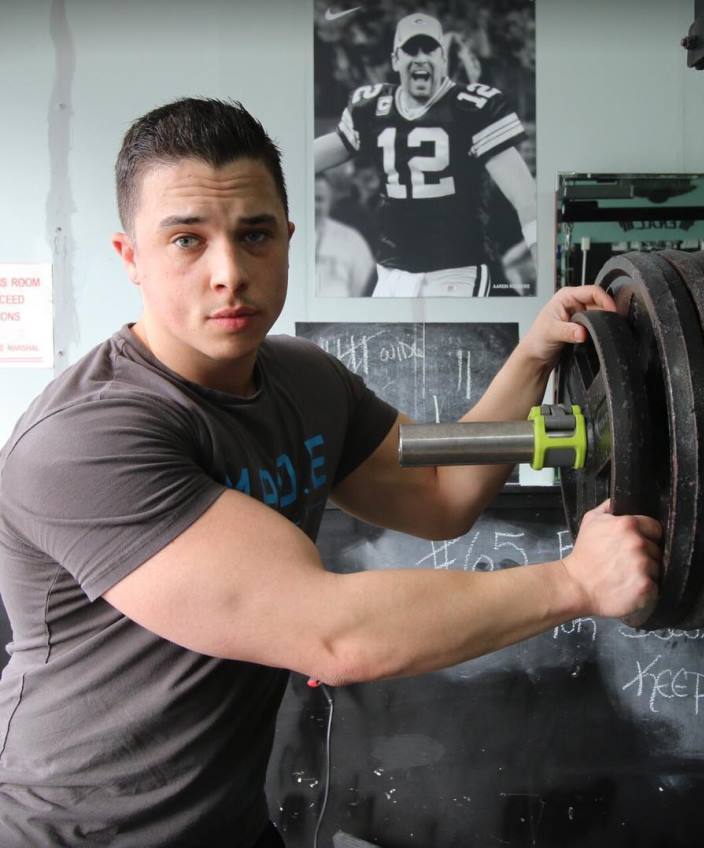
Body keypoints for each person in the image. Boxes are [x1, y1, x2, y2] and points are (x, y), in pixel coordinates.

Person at [0, 97, 661, 848]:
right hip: (70, 834)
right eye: (187, 239)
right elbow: (332, 635)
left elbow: (442, 496)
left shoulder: (304, 380)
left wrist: (536, 355)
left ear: (286, 238)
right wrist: (575, 583)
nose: (229, 273)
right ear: (131, 258)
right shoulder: (88, 439)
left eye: (253, 236)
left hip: (229, 822)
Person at [314, 11, 538, 297]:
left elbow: (526, 198)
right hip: (392, 273)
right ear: (396, 60)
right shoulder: (372, 107)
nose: (420, 57)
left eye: (429, 49)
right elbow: (327, 149)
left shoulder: (473, 108)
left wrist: (547, 269)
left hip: (456, 271)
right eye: (410, 50)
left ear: (442, 58)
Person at [314, 172, 376, 296]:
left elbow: (365, 291)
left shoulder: (352, 241)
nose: (312, 205)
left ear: (329, 202)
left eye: (319, 199)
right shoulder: (279, 239)